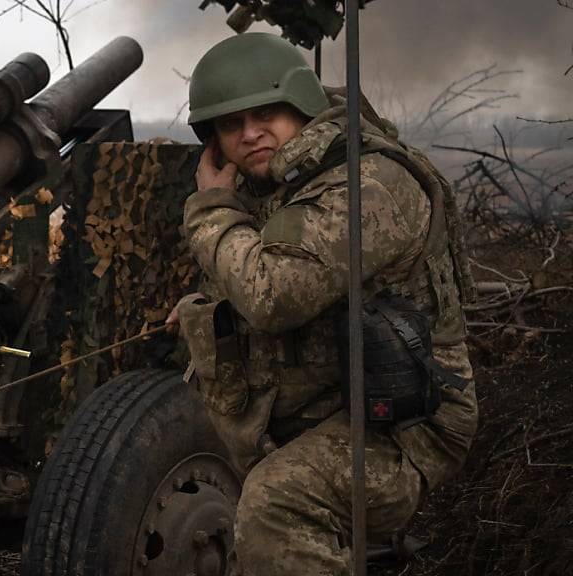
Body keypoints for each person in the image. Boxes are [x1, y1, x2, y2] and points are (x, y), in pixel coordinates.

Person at [168, 32, 478, 575]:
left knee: (275, 505)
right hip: (335, 401)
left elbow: (273, 294)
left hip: (409, 425)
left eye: (267, 113)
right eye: (230, 124)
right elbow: (272, 264)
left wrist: (210, 210)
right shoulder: (282, 180)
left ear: (303, 107)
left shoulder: (367, 183)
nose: (250, 133)